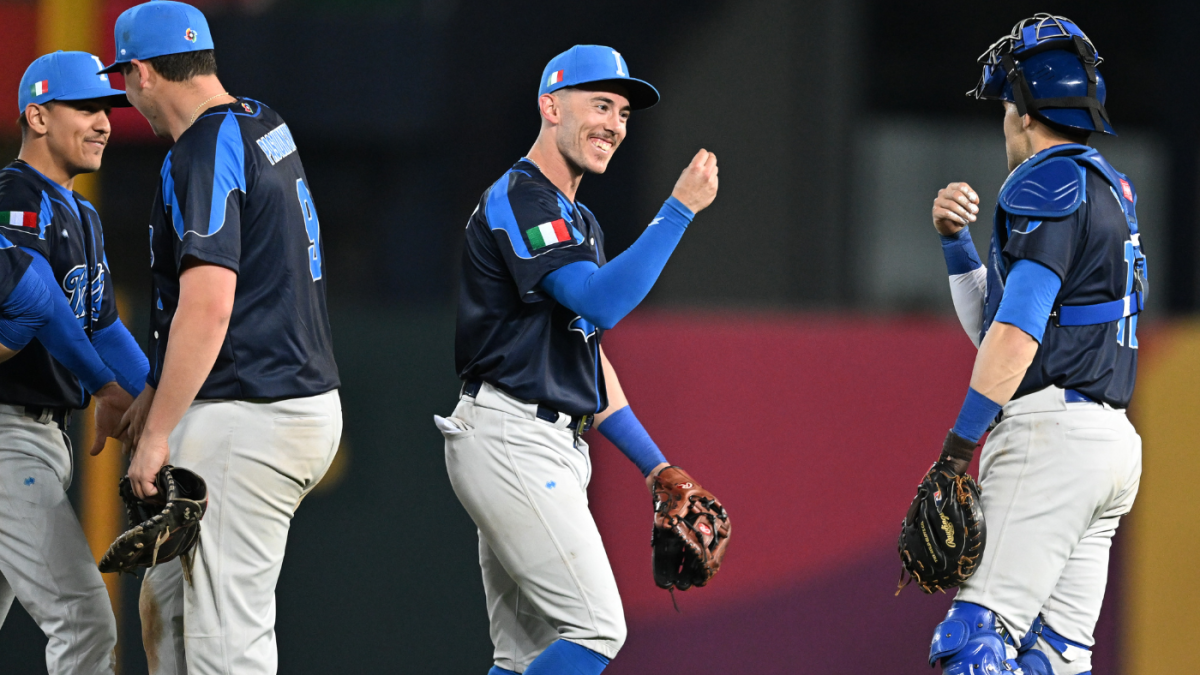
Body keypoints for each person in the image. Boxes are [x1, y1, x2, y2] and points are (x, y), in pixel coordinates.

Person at [438, 45, 719, 675]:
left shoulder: (578, 219)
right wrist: (677, 212)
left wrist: (655, 466)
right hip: (511, 434)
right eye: (600, 104)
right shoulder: (521, 196)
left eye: (622, 111)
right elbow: (604, 301)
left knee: (524, 658)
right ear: (550, 105)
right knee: (596, 629)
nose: (616, 124)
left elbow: (587, 352)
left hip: (546, 440)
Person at [103, 2, 341, 673]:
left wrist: (155, 435)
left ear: (142, 74)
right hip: (288, 398)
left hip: (250, 412)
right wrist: (156, 392)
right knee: (168, 608)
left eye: (125, 78)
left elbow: (209, 306)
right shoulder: (261, 121)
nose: (126, 95)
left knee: (225, 649)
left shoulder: (201, 151)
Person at [923, 15, 1144, 675]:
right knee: (1051, 661)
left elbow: (1016, 337)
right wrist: (954, 245)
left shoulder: (1043, 181)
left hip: (1052, 438)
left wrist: (954, 454)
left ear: (1021, 113)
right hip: (1110, 446)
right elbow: (1003, 330)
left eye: (1004, 106)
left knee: (974, 645)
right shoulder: (1110, 185)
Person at [0, 50, 148, 675]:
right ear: (37, 115)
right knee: (86, 621)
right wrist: (104, 386)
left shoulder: (80, 212)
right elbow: (32, 297)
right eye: (86, 107)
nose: (104, 122)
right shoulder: (14, 194)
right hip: (7, 435)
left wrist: (165, 403)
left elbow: (103, 325)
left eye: (108, 108)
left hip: (38, 438)